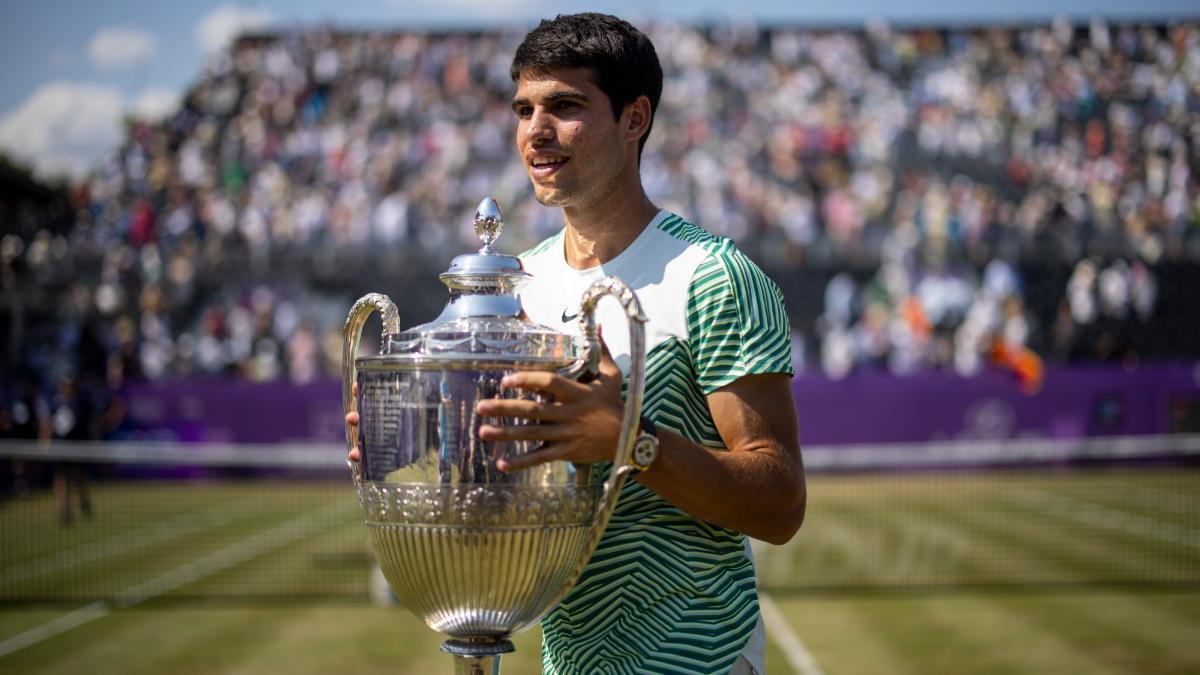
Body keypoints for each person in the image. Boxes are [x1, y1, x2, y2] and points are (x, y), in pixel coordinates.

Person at [350, 13, 805, 674]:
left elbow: (780, 500)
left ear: (634, 118)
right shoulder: (519, 286)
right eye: (524, 108)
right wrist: (416, 439)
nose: (535, 130)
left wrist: (628, 440)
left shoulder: (714, 277)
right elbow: (505, 469)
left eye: (564, 107)